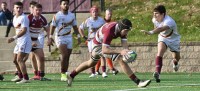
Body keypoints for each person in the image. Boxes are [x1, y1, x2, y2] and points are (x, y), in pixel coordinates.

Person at [66, 19, 151, 87]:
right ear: (123, 29)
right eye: (126, 31)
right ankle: (138, 82)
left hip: (99, 43)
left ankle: (71, 75)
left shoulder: (121, 28)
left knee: (90, 63)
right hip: (98, 45)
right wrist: (120, 52)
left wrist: (127, 52)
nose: (127, 33)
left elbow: (124, 44)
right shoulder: (110, 31)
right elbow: (104, 50)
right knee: (119, 59)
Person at [140, 5, 181, 83]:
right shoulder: (154, 19)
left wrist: (150, 32)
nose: (154, 15)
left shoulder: (169, 21)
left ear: (163, 14)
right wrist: (154, 30)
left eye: (157, 14)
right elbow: (157, 28)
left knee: (177, 57)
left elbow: (161, 28)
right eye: (154, 13)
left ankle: (175, 62)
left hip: (174, 39)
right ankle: (158, 72)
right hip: (163, 37)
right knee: (160, 52)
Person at [47, 0, 81, 81]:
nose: (66, 5)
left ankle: (65, 73)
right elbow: (52, 26)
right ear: (60, 5)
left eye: (67, 4)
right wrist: (50, 37)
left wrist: (79, 36)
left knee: (67, 57)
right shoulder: (57, 16)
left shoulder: (72, 15)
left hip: (69, 37)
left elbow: (75, 27)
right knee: (64, 55)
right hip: (60, 37)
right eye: (64, 4)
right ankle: (62, 74)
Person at [78, 6, 107, 78]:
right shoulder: (88, 20)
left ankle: (104, 72)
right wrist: (83, 36)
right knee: (92, 56)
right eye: (93, 12)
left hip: (99, 40)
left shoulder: (101, 20)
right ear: (91, 13)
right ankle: (93, 72)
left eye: (96, 11)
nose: (95, 13)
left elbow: (106, 28)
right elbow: (80, 28)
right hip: (91, 40)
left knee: (102, 55)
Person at [8, 1, 32, 84]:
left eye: (20, 8)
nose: (18, 9)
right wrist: (15, 39)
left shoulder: (24, 18)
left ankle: (26, 78)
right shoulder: (14, 17)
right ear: (13, 9)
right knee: (15, 60)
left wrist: (14, 37)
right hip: (19, 41)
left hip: (24, 40)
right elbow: (17, 29)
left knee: (19, 59)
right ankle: (20, 76)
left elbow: (24, 30)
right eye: (17, 8)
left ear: (22, 9)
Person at [28, 3, 50, 81]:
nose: (38, 11)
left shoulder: (43, 19)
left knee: (41, 57)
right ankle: (20, 75)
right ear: (33, 10)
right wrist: (29, 42)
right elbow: (24, 30)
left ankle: (40, 76)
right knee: (22, 59)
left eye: (39, 10)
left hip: (35, 40)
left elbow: (47, 28)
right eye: (36, 10)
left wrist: (49, 38)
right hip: (27, 40)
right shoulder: (29, 18)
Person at [95, 8, 119, 76]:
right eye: (108, 14)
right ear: (105, 14)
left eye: (111, 14)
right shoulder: (101, 21)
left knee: (104, 54)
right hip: (97, 40)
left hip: (105, 40)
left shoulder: (111, 22)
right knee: (100, 55)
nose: (109, 15)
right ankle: (97, 70)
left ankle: (104, 70)